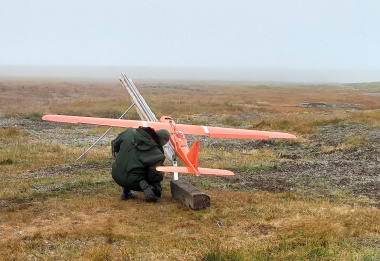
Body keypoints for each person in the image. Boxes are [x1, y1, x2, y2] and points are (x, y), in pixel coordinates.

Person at [111, 127, 170, 202]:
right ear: (163, 142)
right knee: (157, 190)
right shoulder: (156, 153)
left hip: (116, 173)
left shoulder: (129, 132)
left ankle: (126, 192)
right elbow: (155, 177)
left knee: (130, 163)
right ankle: (148, 188)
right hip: (134, 180)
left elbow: (115, 144)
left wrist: (120, 157)